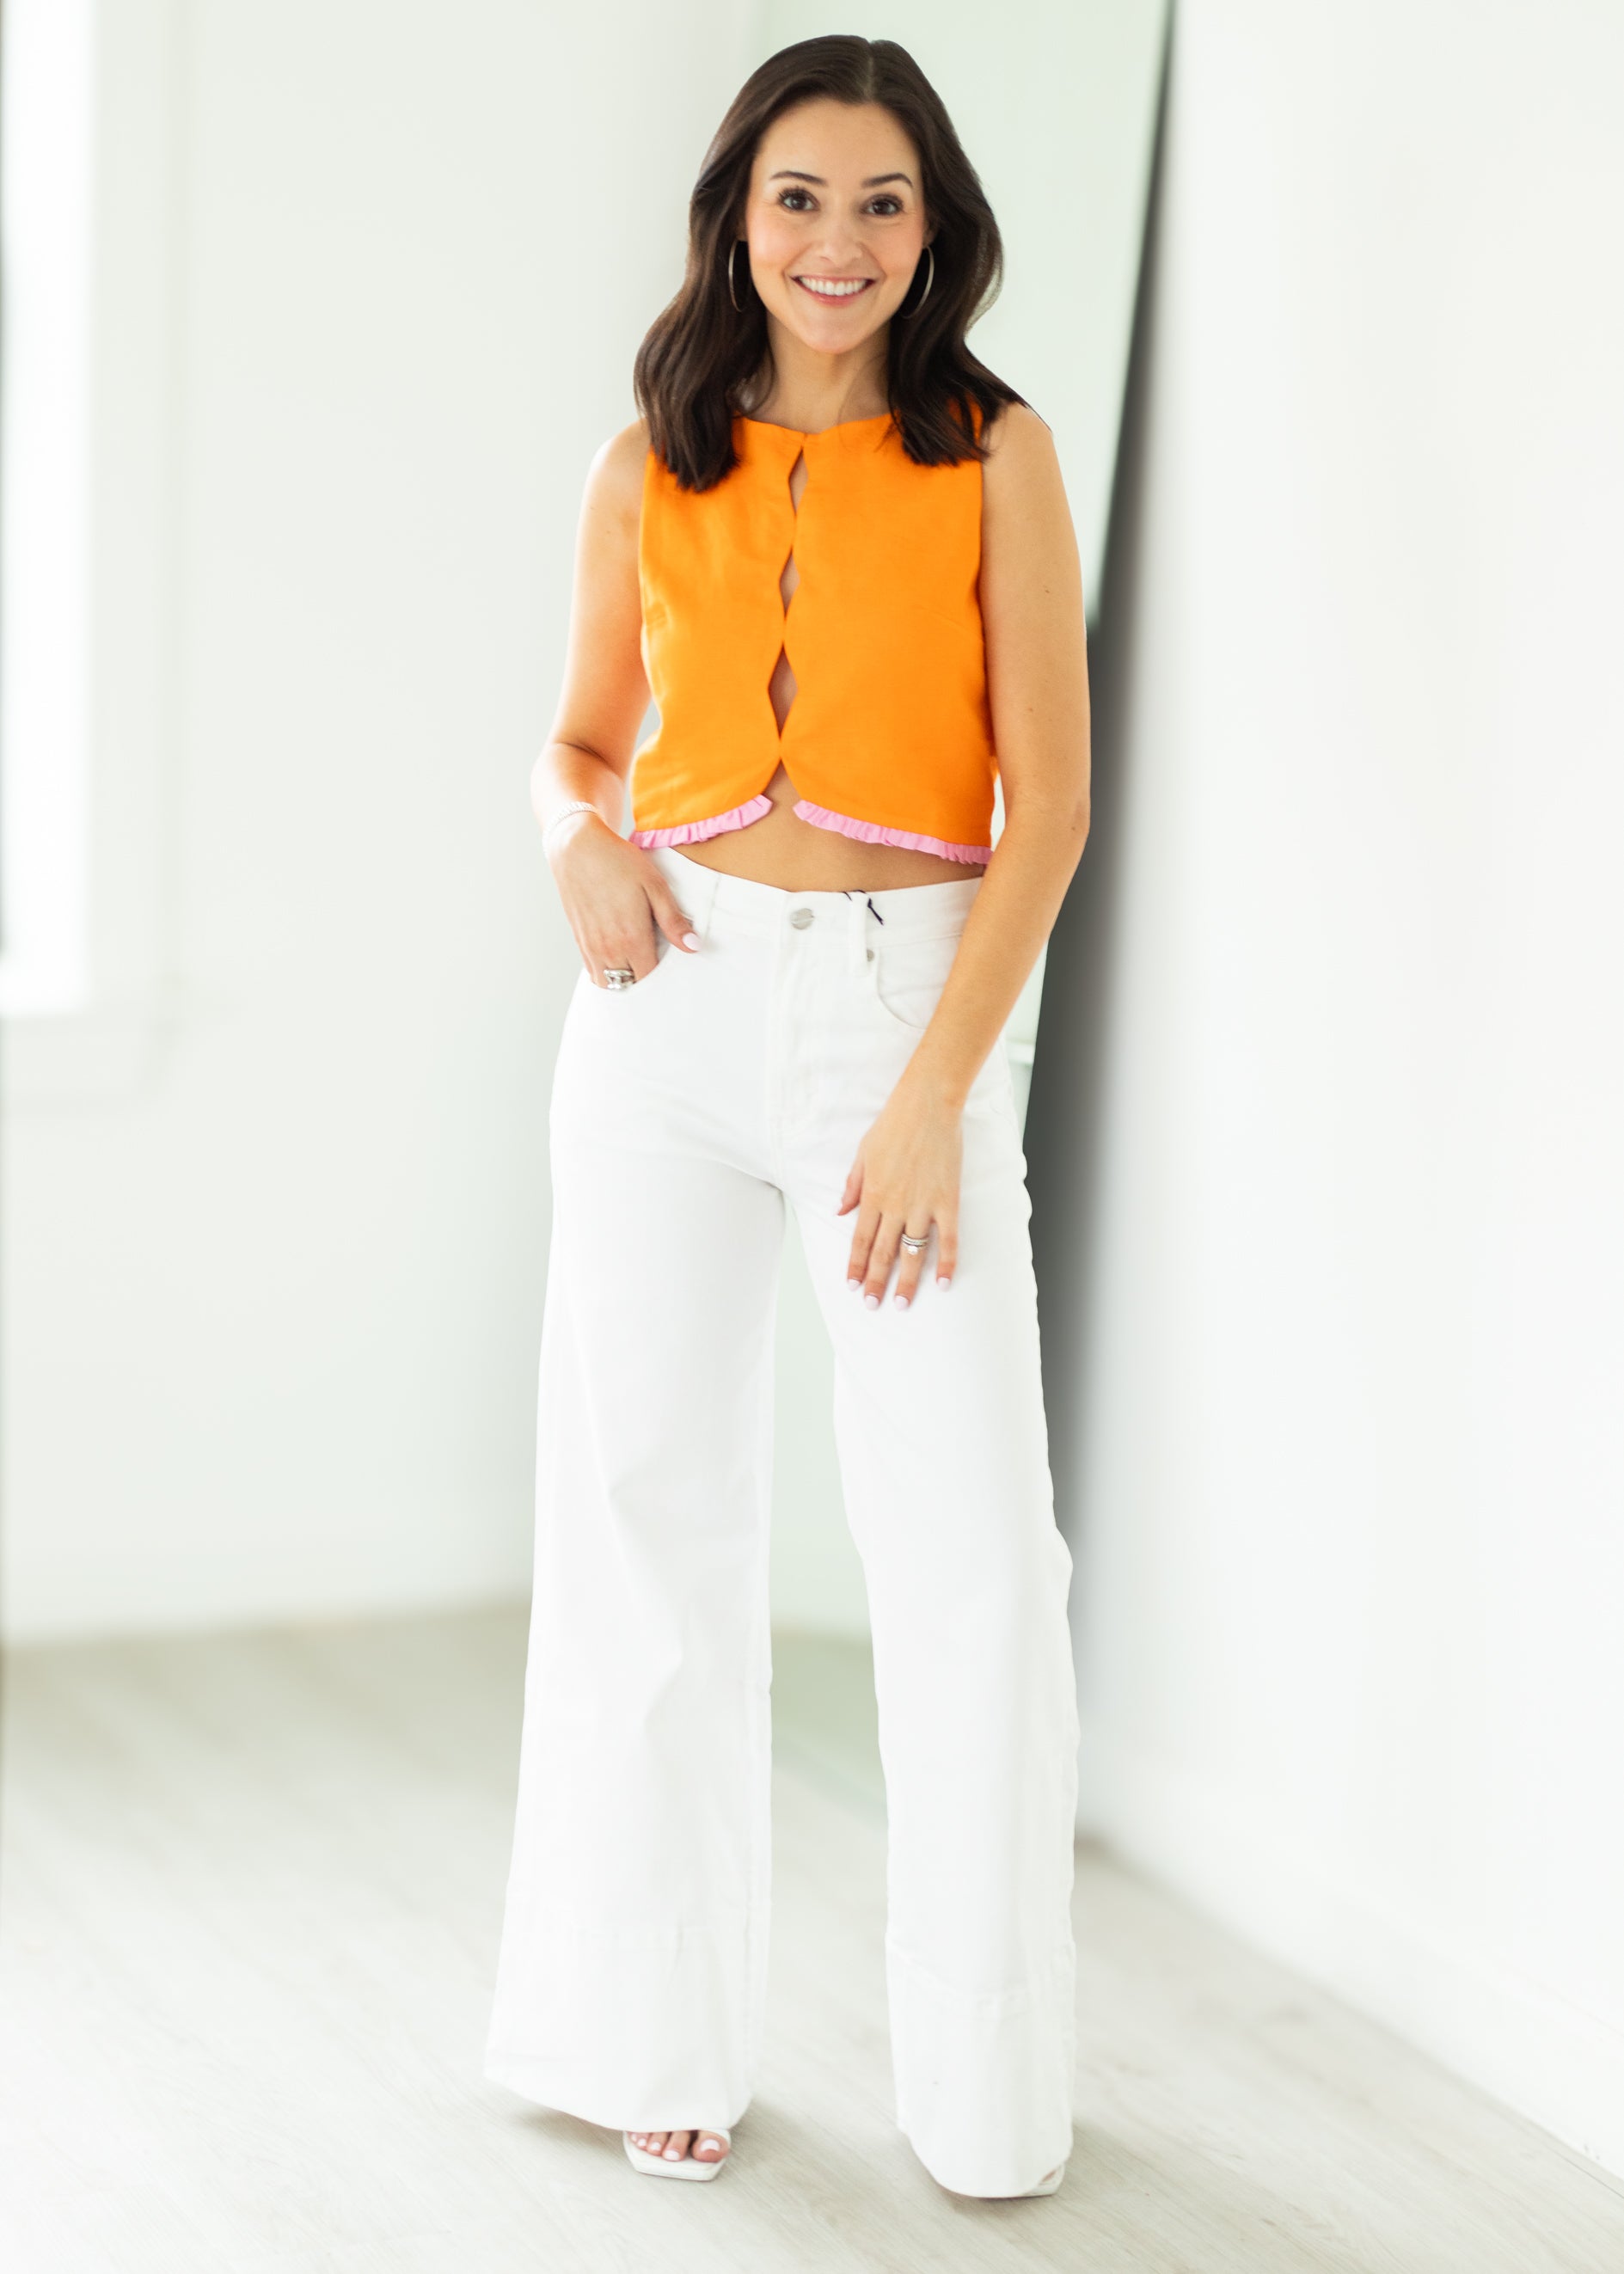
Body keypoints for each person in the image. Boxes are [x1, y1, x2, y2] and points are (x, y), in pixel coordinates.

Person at [483, 34, 1091, 2202]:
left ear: (937, 233)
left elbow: (1049, 814)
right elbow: (572, 745)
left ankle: (991, 2094)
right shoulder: (644, 463)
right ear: (737, 213)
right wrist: (566, 837)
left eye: (885, 205)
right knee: (648, 1512)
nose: (839, 244)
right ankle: (653, 2029)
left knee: (971, 1559)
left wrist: (936, 1102)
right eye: (803, 199)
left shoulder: (994, 452)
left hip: (894, 1020)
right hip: (661, 1014)